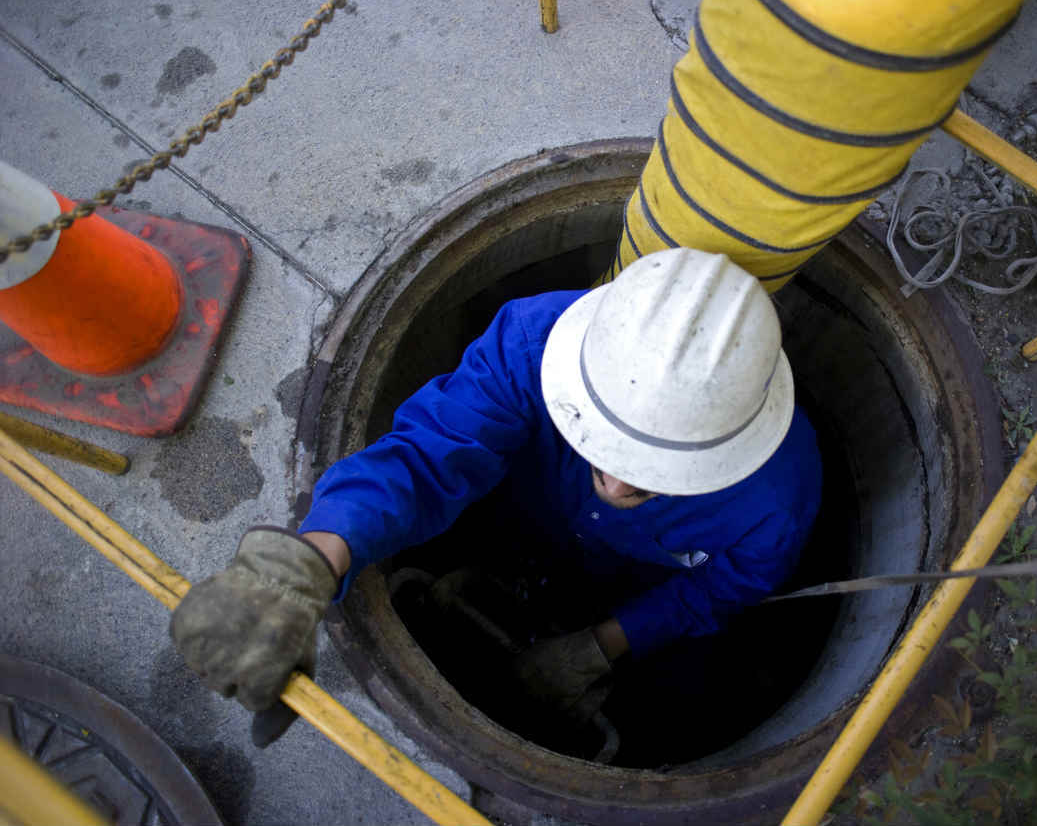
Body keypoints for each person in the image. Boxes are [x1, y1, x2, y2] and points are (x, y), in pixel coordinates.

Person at [170, 247, 822, 745]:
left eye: (657, 471)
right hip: (519, 521)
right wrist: (307, 562)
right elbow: (430, 456)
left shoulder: (776, 496)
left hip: (632, 582)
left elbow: (719, 590)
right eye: (605, 443)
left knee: (688, 691)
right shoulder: (535, 342)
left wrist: (604, 645)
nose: (619, 484)